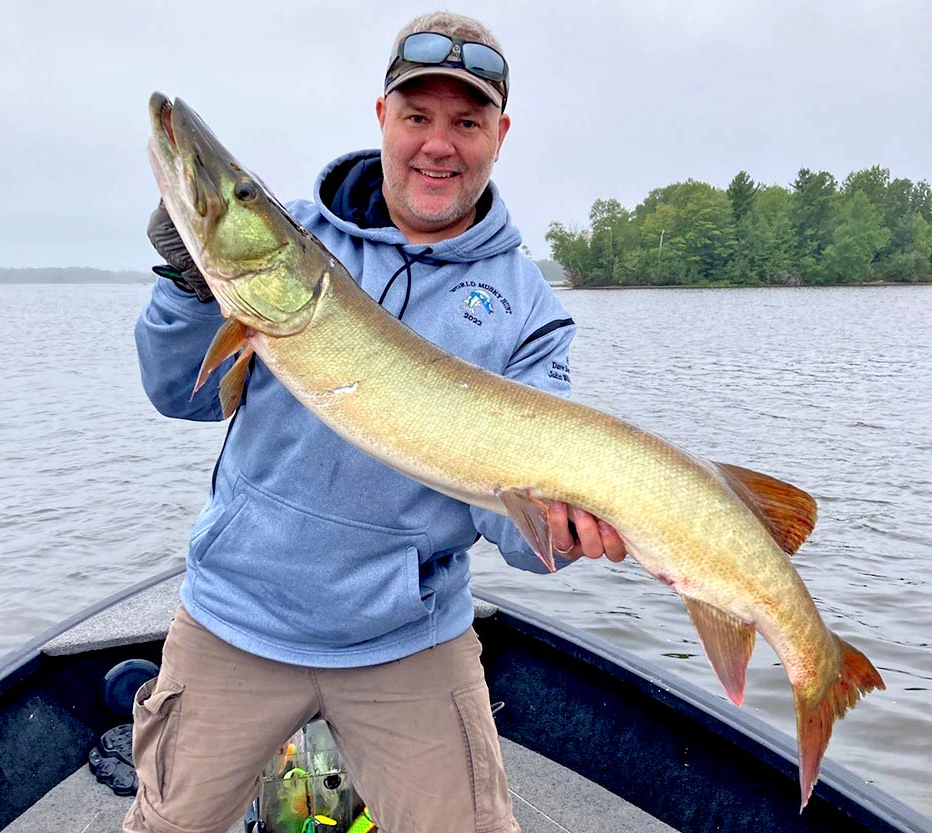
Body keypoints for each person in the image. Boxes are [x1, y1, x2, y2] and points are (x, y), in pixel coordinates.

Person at [128, 11, 625, 833]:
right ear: (382, 118)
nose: (438, 144)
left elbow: (510, 527)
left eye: (466, 123)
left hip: (408, 637)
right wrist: (188, 283)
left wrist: (566, 532)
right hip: (239, 614)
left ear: (500, 136)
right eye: (417, 116)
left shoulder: (527, 309)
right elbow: (179, 391)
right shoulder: (293, 242)